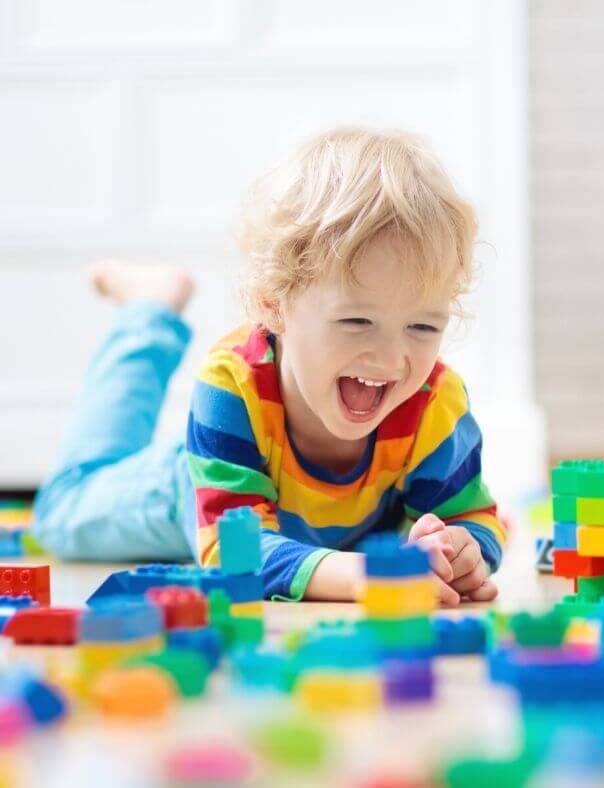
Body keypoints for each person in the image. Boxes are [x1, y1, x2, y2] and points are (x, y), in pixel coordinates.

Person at [33, 128, 504, 605]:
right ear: (273, 304)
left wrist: (463, 552)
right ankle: (149, 314)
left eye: (423, 327)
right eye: (357, 320)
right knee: (62, 511)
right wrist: (366, 575)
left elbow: (474, 519)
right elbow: (233, 551)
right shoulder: (231, 386)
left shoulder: (435, 403)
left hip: (301, 531)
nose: (390, 359)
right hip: (187, 487)